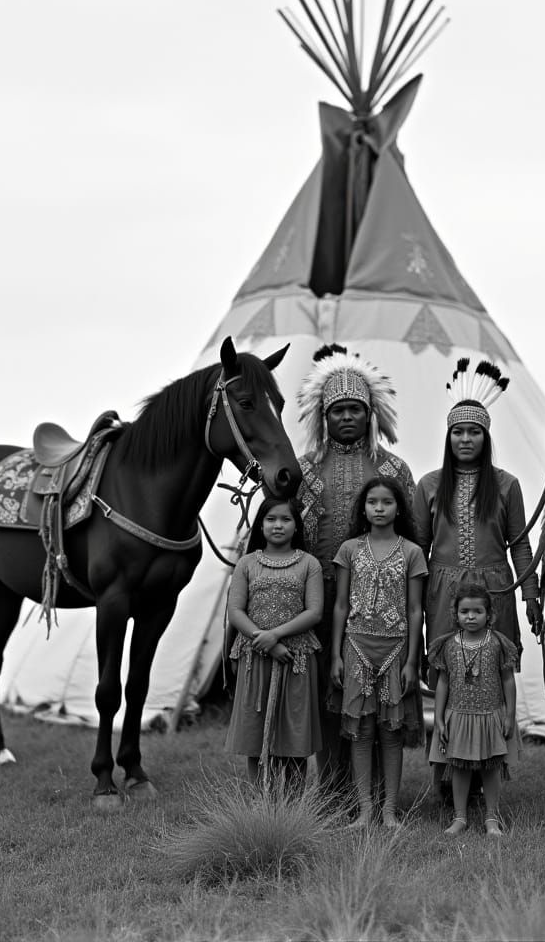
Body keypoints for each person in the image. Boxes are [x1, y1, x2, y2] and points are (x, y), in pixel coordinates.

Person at [412, 358, 543, 803]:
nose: (465, 439)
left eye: (474, 432)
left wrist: (530, 594)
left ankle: (489, 774)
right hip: (444, 595)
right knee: (449, 680)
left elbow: (520, 545)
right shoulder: (429, 486)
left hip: (495, 593)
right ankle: (445, 778)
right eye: (458, 432)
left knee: (489, 678)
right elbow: (419, 551)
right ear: (447, 438)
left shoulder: (506, 486)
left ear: (487, 438)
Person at [295, 343, 416, 792]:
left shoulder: (394, 470)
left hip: (381, 609)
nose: (347, 417)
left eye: (355, 409)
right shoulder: (304, 470)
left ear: (371, 415)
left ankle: (378, 794)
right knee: (330, 691)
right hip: (319, 604)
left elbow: (412, 541)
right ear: (323, 417)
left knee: (378, 698)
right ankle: (330, 789)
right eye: (338, 410)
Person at [329, 476, 427, 828]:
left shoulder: (412, 553)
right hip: (355, 645)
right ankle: (365, 810)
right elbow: (340, 605)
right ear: (364, 508)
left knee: (391, 732)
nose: (380, 508)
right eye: (373, 502)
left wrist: (413, 660)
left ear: (399, 507)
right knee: (361, 730)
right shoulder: (350, 549)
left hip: (396, 648)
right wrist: (336, 655)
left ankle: (389, 811)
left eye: (387, 502)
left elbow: (416, 610)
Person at [224, 495, 324, 795]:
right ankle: (260, 803)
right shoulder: (246, 563)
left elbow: (314, 612)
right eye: (271, 519)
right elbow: (235, 611)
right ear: (261, 524)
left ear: (296, 526)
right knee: (256, 735)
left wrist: (276, 635)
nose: (278, 525)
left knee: (294, 736)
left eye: (285, 519)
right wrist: (265, 642)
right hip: (255, 657)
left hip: (296, 658)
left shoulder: (309, 564)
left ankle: (293, 808)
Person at [427, 583, 520, 835]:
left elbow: (508, 679)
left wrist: (509, 715)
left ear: (489, 615)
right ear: (455, 614)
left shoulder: (498, 644)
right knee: (459, 767)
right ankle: (460, 817)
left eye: (477, 611)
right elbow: (444, 682)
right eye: (464, 611)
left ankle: (491, 818)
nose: (470, 616)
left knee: (491, 767)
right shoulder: (448, 645)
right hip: (458, 715)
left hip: (491, 715)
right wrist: (439, 718)